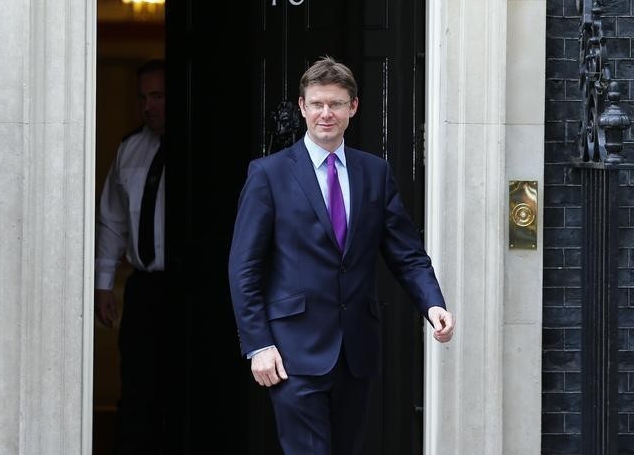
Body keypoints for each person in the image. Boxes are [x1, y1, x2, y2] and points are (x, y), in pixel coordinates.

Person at [228, 56, 455, 455]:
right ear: (302, 107)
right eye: (316, 104)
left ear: (353, 107)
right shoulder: (269, 174)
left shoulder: (375, 173)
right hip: (292, 352)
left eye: (335, 104)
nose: (325, 114)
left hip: (356, 351)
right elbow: (243, 267)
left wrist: (432, 302)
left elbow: (407, 254)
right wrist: (258, 344)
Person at [94, 60, 180, 454]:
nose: (149, 106)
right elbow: (111, 221)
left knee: (180, 393)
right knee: (137, 392)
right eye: (143, 97)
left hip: (188, 290)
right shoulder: (130, 148)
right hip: (145, 290)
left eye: (158, 96)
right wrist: (103, 285)